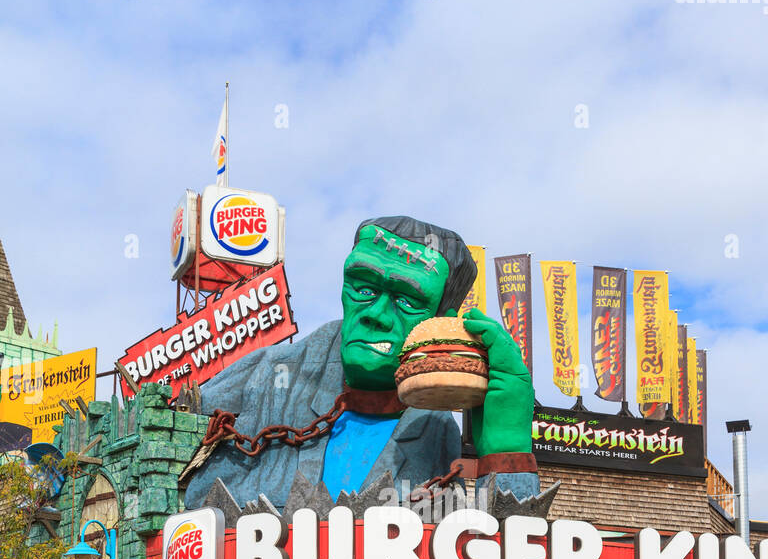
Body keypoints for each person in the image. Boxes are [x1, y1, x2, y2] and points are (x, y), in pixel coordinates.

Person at [183, 216, 539, 512]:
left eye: (407, 299)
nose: (377, 316)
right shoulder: (264, 379)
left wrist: (508, 452)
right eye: (363, 288)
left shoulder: (435, 429)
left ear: (440, 321)